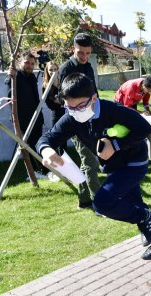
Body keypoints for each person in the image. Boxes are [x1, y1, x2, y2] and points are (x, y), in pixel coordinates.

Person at [37, 73, 151, 260]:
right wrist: (46, 151)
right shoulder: (72, 117)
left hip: (134, 162)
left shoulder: (113, 110)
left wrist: (116, 145)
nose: (76, 111)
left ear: (94, 98)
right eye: (70, 107)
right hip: (114, 166)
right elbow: (47, 138)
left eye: (81, 106)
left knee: (102, 204)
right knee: (135, 205)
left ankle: (144, 218)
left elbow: (144, 129)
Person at [58, 33, 102, 209]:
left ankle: (84, 201)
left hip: (92, 119)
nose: (84, 57)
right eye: (80, 53)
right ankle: (101, 202)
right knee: (91, 163)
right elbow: (65, 100)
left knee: (88, 162)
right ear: (73, 49)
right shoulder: (66, 68)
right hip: (76, 122)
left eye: (87, 53)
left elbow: (94, 93)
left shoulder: (89, 67)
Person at [6, 51, 47, 179]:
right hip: (23, 119)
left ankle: (43, 170)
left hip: (35, 117)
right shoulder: (15, 76)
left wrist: (39, 116)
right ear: (20, 62)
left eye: (32, 63)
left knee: (38, 144)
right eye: (27, 63)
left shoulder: (32, 77)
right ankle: (33, 172)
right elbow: (10, 97)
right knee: (28, 146)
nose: (30, 66)